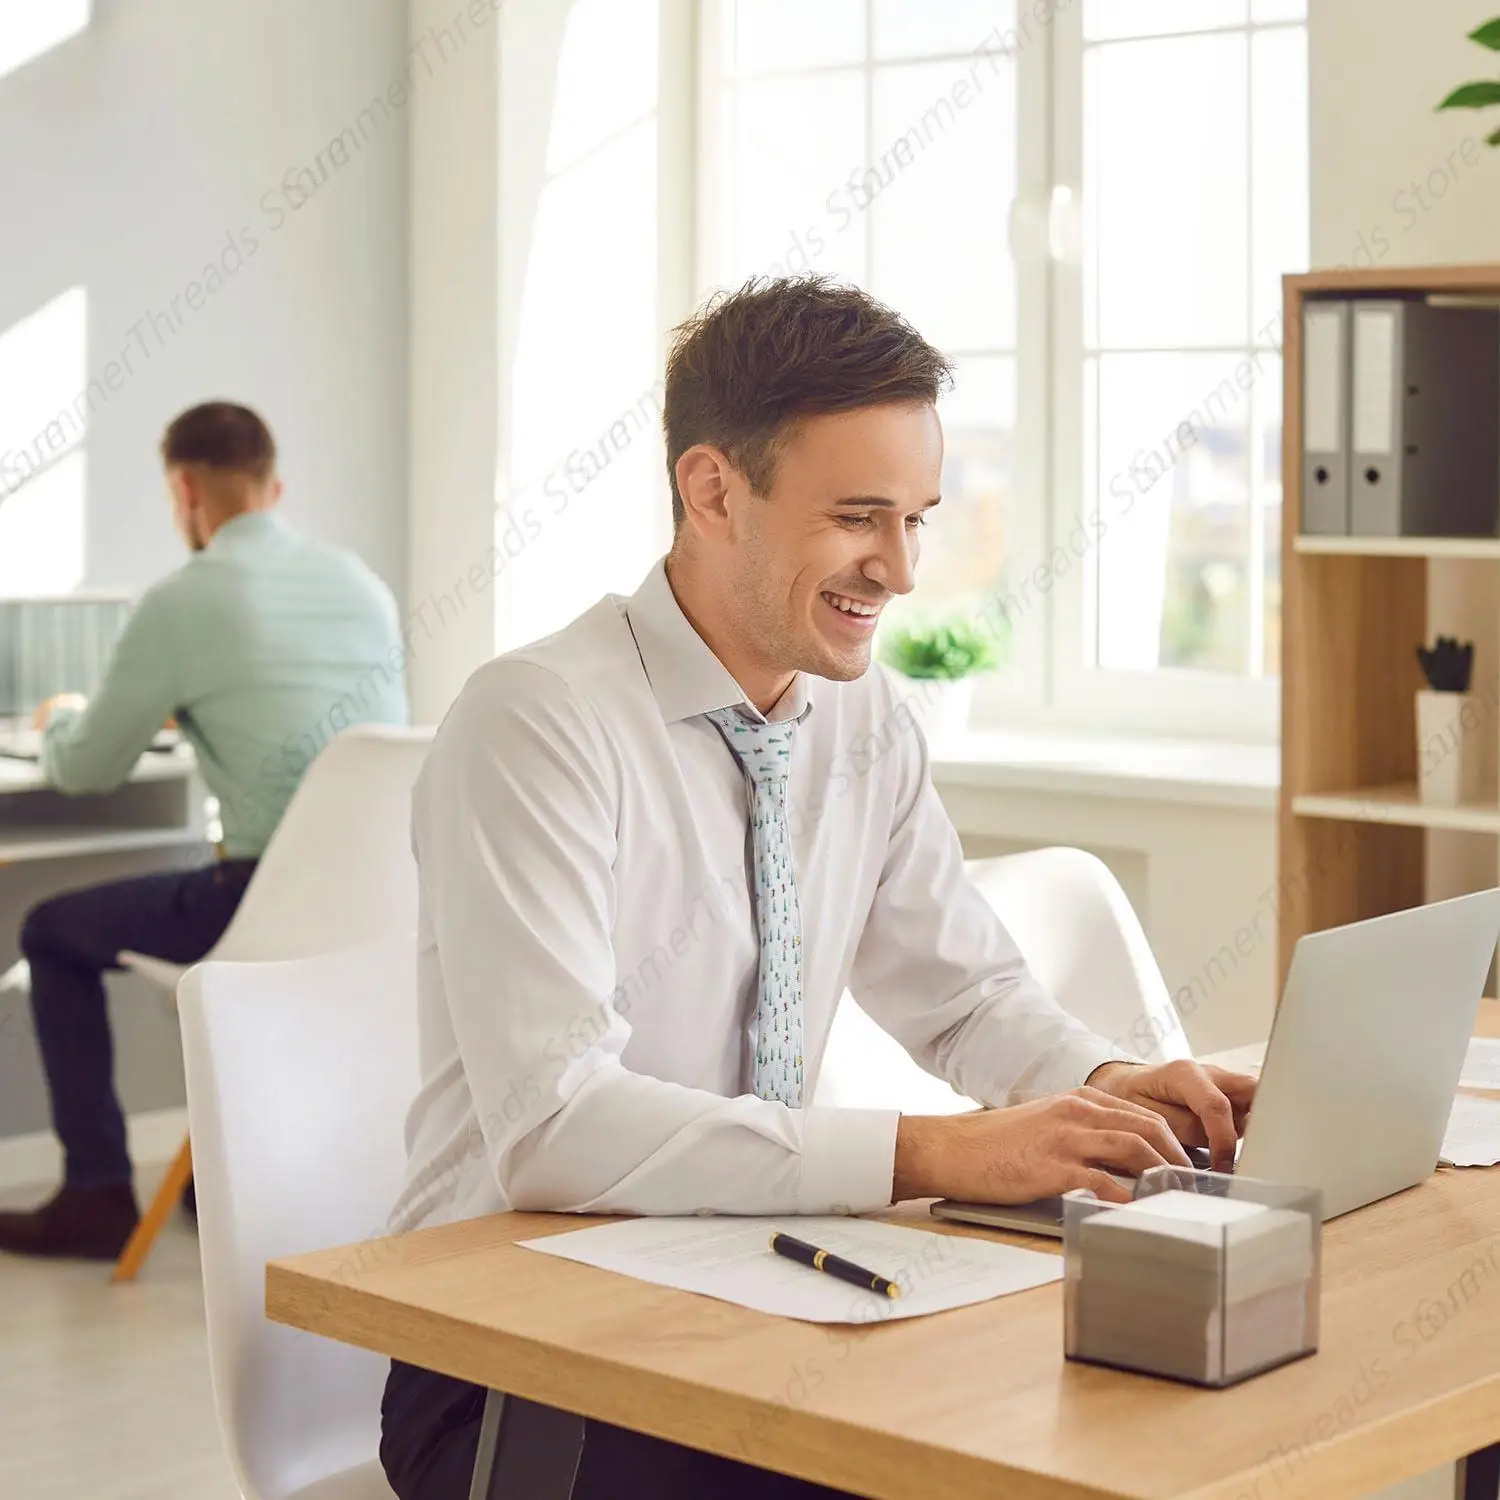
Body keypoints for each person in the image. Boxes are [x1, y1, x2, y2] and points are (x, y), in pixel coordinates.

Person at [379, 278, 1256, 1499]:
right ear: (711, 491)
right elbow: (557, 1127)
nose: (899, 569)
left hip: (753, 1288)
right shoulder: (541, 723)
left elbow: (964, 997)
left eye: (917, 519)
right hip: (520, 1362)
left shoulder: (862, 717)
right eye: (857, 518)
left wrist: (1107, 1085)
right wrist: (941, 1152)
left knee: (1115, 1413)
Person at [0, 401, 409, 1261]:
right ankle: (215, 1183)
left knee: (49, 931)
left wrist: (59, 720)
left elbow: (87, 769)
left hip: (259, 900)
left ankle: (95, 1195)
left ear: (184, 490)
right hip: (378, 910)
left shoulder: (183, 601)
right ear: (273, 488)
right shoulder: (361, 586)